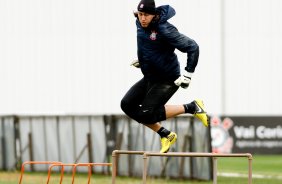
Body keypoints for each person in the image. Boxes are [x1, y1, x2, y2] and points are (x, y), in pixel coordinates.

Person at [120, 0, 209, 153]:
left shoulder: (164, 28)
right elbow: (149, 45)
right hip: (150, 76)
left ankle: (192, 107)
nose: (142, 18)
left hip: (167, 79)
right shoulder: (139, 23)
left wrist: (188, 74)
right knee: (126, 104)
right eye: (140, 14)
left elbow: (193, 47)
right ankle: (166, 135)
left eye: (146, 15)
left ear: (154, 14)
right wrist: (143, 60)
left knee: (147, 114)